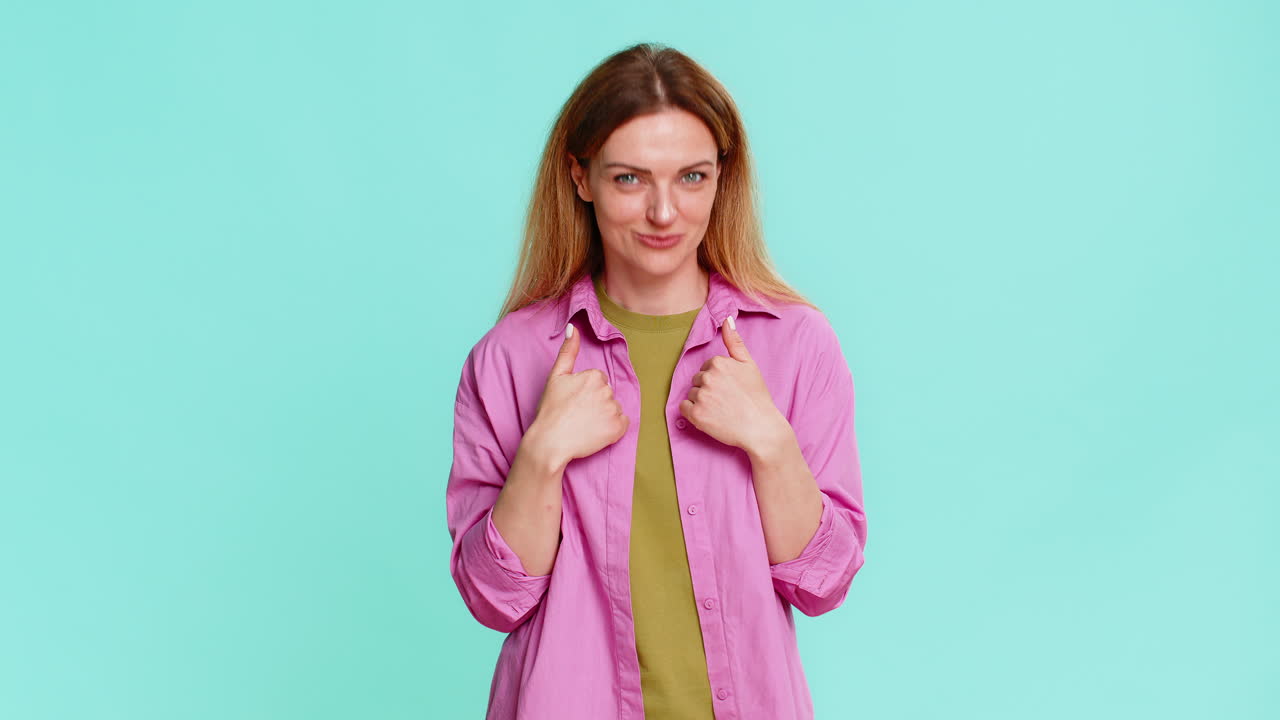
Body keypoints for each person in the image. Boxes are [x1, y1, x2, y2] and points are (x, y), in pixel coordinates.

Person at [445, 42, 868, 720]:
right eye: (630, 179)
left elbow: (824, 581)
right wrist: (543, 454)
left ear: (723, 178)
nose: (664, 213)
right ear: (580, 178)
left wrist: (770, 443)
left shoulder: (795, 344)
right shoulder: (512, 358)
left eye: (692, 177)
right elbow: (495, 600)